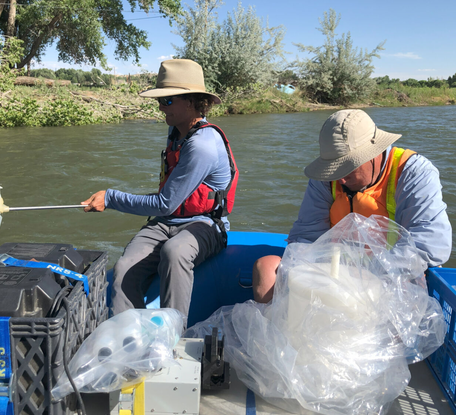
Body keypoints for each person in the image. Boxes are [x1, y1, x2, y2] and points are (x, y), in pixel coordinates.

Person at [82, 59, 238, 326]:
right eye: (160, 100)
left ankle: (172, 335)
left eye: (166, 101)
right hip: (167, 222)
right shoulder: (176, 130)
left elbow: (165, 203)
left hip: (205, 224)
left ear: (190, 102)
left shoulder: (202, 145)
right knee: (123, 269)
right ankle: (127, 337)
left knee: (175, 251)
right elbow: (168, 209)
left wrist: (110, 197)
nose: (159, 106)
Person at [253, 109, 452, 303]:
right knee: (266, 267)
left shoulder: (414, 172)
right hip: (337, 270)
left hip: (393, 275)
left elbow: (429, 244)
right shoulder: (326, 178)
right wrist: (312, 275)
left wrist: (369, 274)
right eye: (333, 169)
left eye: (347, 168)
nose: (339, 178)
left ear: (374, 154)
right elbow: (307, 236)